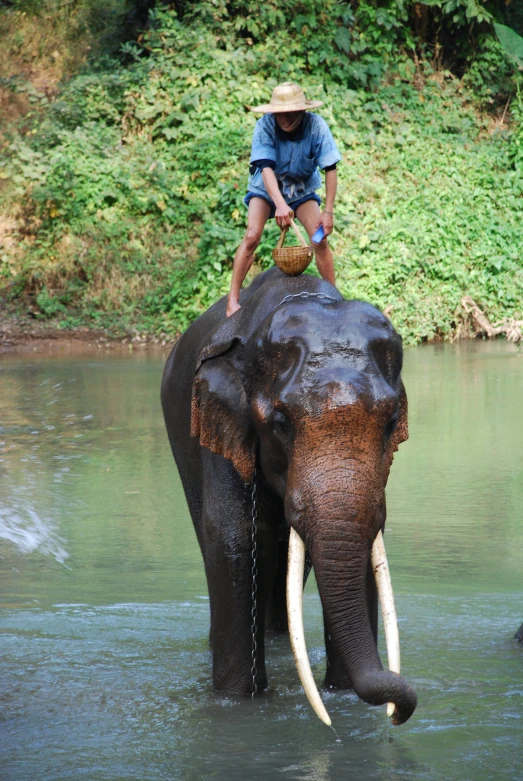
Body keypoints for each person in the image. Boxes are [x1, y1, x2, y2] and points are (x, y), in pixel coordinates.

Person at [226, 82, 341, 317]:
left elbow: (330, 168)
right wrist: (279, 203)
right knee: (251, 236)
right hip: (266, 188)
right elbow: (265, 168)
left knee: (319, 239)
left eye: (289, 113)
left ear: (301, 110)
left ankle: (335, 299)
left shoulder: (316, 126)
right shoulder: (265, 126)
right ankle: (232, 299)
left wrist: (328, 212)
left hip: (302, 189)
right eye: (280, 114)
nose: (284, 119)